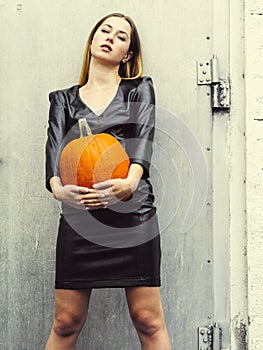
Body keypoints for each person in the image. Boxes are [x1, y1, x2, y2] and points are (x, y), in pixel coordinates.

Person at [45, 12, 171, 350]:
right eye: (105, 30)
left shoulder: (138, 89)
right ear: (91, 40)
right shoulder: (63, 99)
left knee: (148, 320)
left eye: (121, 36)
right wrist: (59, 190)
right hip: (81, 219)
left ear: (127, 54)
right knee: (65, 322)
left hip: (133, 215)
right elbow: (54, 152)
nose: (110, 37)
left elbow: (144, 137)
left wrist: (130, 181)